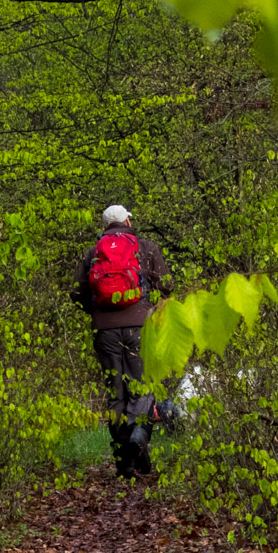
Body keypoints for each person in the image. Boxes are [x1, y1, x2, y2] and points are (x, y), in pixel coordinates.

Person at [71, 204, 169, 480]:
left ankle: (124, 463)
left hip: (105, 331)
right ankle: (138, 436)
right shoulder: (145, 246)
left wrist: (97, 312)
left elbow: (77, 292)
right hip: (140, 326)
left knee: (116, 394)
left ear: (104, 226)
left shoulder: (93, 253)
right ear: (127, 221)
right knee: (142, 386)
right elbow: (167, 284)